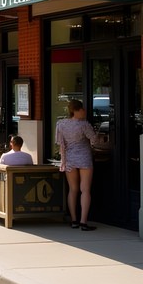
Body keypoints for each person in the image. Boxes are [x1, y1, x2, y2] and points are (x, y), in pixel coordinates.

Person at [55, 98, 102, 231]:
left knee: (73, 190)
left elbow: (61, 144)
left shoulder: (61, 124)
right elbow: (94, 140)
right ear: (77, 110)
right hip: (84, 158)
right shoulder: (84, 125)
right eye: (82, 109)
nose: (84, 111)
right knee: (85, 190)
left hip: (70, 158)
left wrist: (63, 161)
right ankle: (83, 222)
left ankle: (74, 220)